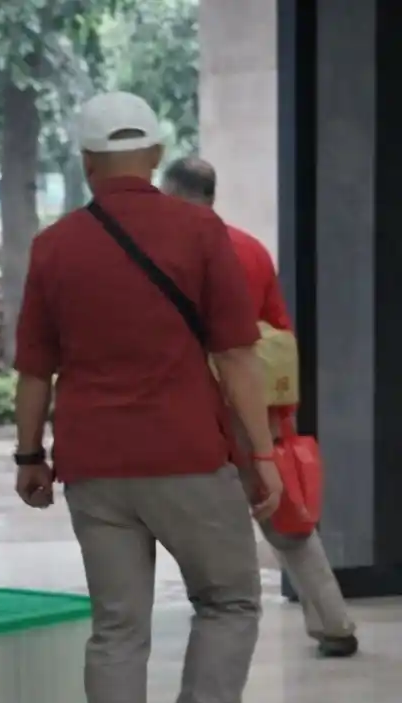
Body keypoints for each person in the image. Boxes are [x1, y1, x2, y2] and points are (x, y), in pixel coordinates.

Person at [12, 92, 276, 703]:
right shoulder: (199, 230)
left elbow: (36, 369)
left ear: (88, 164)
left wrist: (31, 456)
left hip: (94, 465)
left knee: (118, 631)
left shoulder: (56, 246)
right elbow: (235, 355)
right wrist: (261, 455)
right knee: (228, 600)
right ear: (156, 155)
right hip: (188, 454)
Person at [160, 156, 359, 659]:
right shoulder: (250, 248)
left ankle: (224, 614)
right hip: (257, 406)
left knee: (203, 516)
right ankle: (334, 622)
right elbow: (277, 330)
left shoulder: (172, 253)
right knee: (285, 516)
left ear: (173, 194)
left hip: (199, 404)